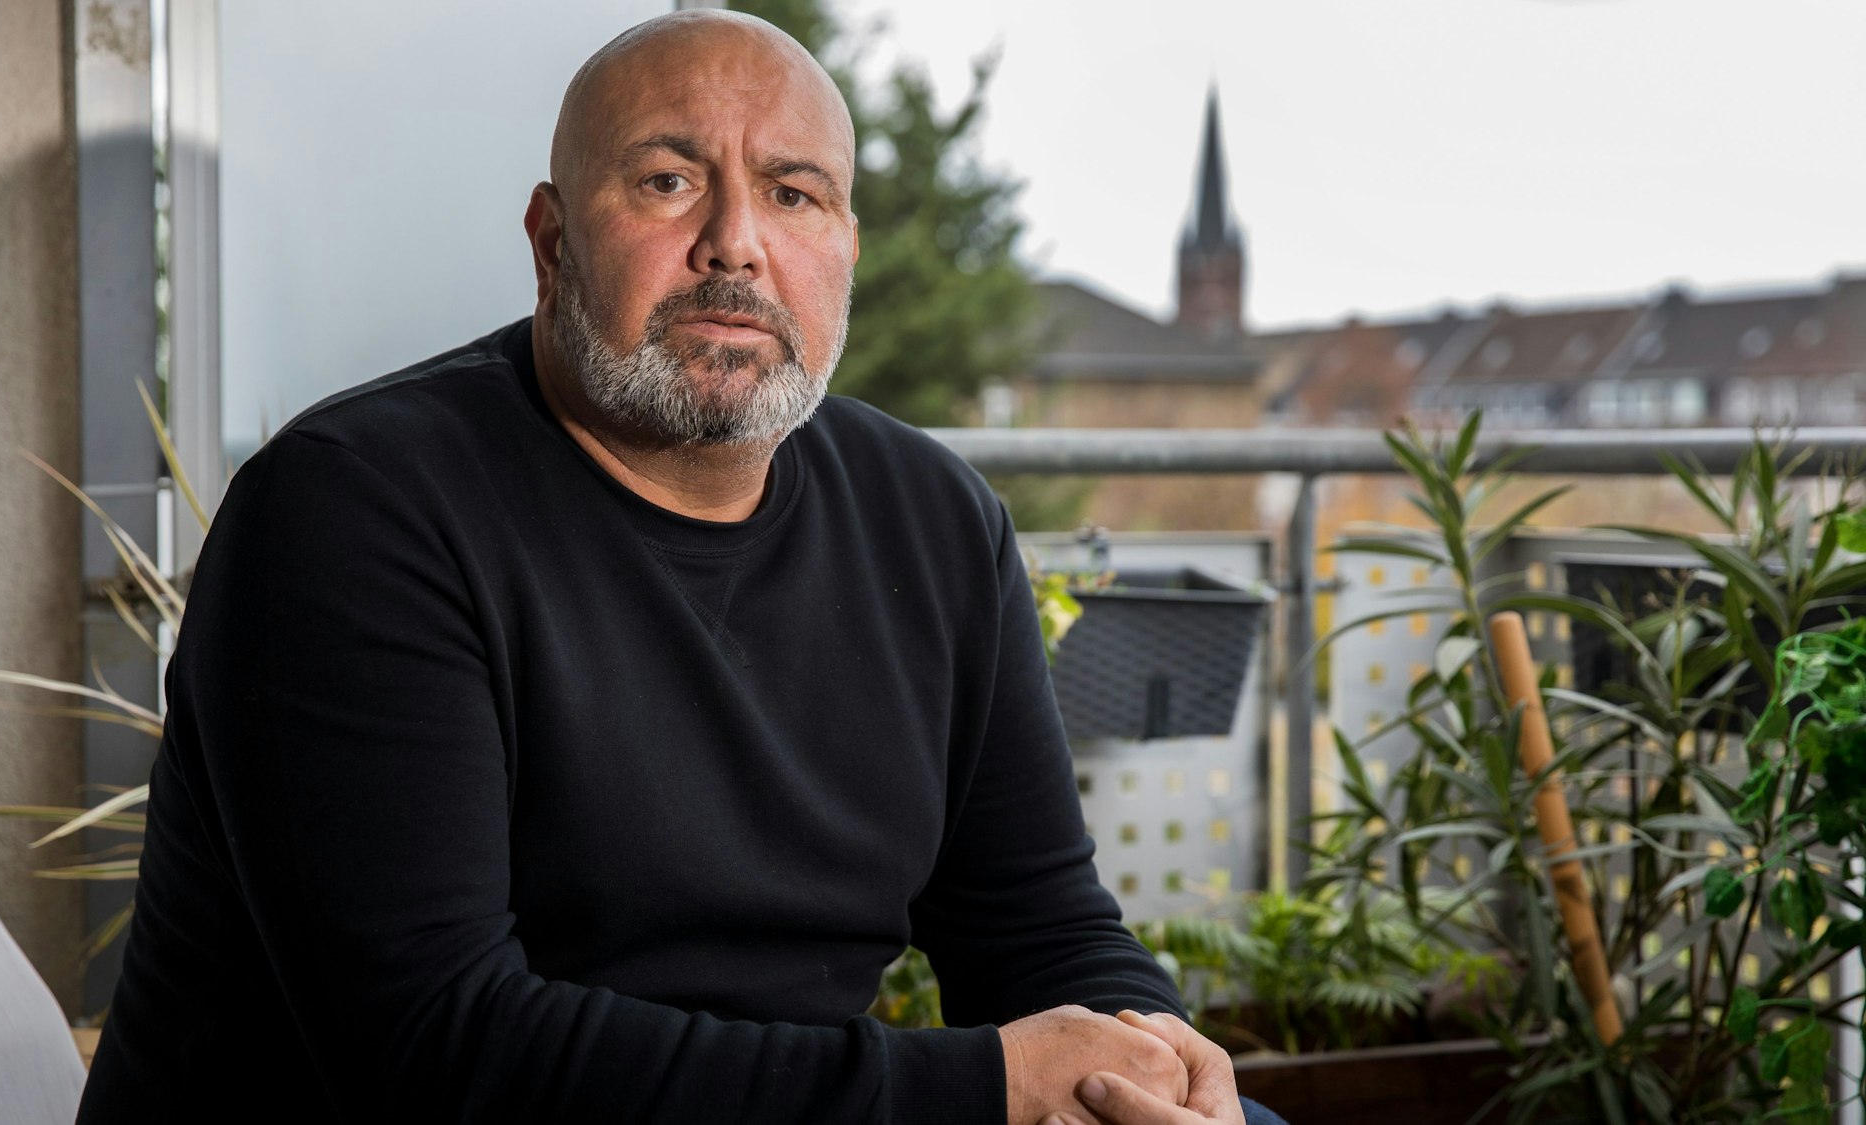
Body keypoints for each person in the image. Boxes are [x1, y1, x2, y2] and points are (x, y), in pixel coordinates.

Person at [76, 11, 1281, 1125]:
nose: (734, 246)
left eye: (793, 193)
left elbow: (1036, 921)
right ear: (553, 243)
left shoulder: (937, 521)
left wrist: (1154, 1055)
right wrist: (980, 1089)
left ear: (843, 248)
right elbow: (437, 1052)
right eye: (666, 182)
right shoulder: (354, 511)